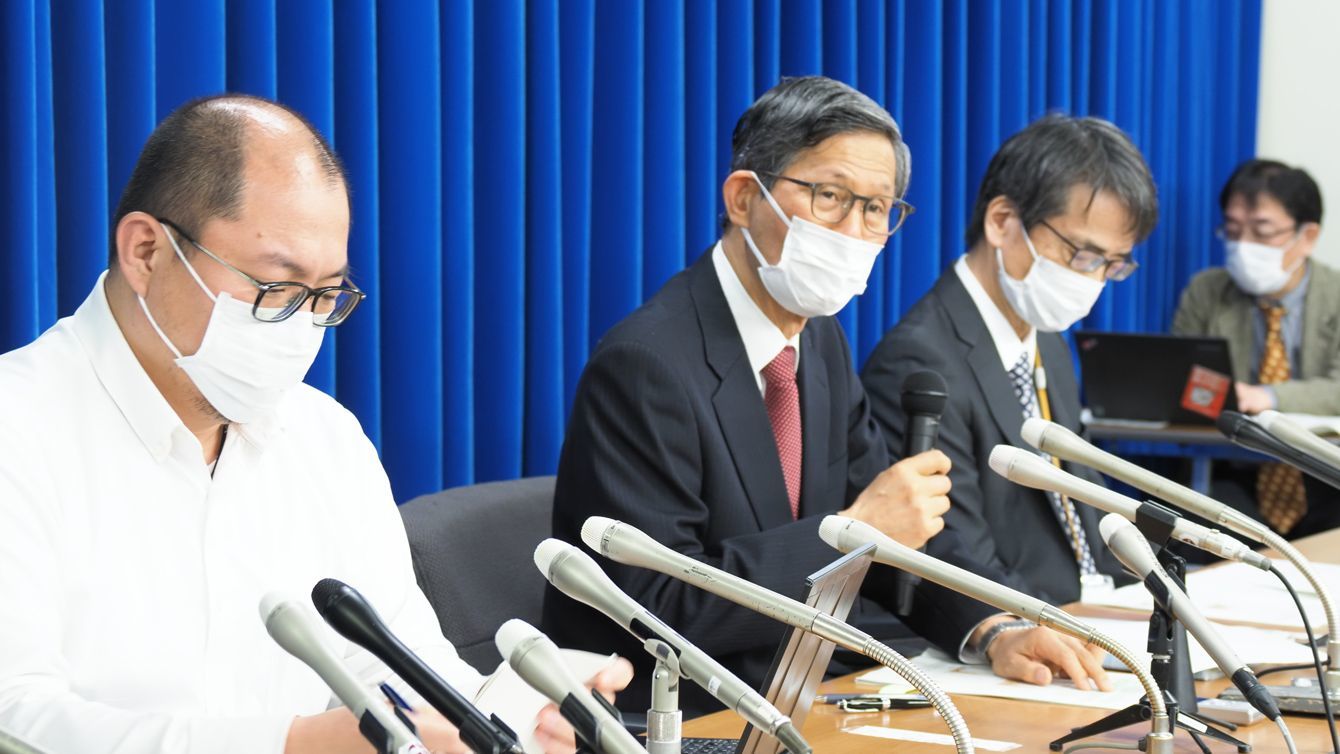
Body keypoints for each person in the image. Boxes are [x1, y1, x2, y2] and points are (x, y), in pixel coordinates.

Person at [0, 94, 629, 754]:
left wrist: (505, 713)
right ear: (147, 251)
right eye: (276, 287)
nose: (301, 327)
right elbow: (14, 714)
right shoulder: (20, 428)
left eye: (326, 295)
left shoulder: (323, 437)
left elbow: (397, 668)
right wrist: (294, 744)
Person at [544, 78, 1112, 716]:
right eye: (831, 197)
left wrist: (994, 631)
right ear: (743, 198)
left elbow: (896, 530)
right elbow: (654, 606)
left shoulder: (819, 342)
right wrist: (852, 535)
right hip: (685, 713)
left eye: (877, 209)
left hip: (810, 693)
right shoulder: (647, 364)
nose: (855, 231)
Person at [863, 115, 1156, 612]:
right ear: (1001, 221)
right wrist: (1072, 626)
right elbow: (954, 554)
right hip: (1023, 623)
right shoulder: (920, 360)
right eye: (1084, 255)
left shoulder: (1048, 342)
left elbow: (1083, 502)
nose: (1094, 281)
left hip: (1098, 609)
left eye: (1114, 265)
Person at [1172, 159, 1340, 537]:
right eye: (1233, 230)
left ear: (1307, 236)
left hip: (1325, 471)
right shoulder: (1207, 291)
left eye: (1262, 231)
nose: (1244, 245)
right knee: (1201, 519)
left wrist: (1269, 396)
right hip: (1232, 466)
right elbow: (1181, 376)